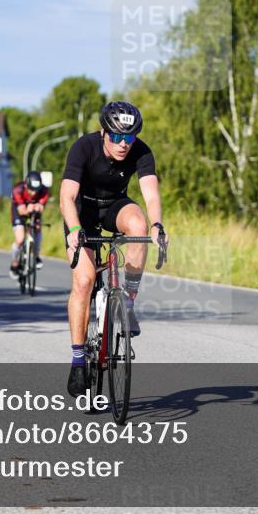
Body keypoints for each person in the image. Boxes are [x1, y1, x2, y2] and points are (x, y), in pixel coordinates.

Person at [60, 101, 167, 397]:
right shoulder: (83, 147)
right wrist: (74, 230)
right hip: (82, 213)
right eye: (117, 137)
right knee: (84, 280)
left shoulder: (142, 152)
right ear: (103, 131)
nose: (123, 144)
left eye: (129, 137)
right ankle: (79, 359)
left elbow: (151, 194)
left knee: (139, 224)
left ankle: (128, 302)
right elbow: (67, 197)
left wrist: (158, 225)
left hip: (113, 207)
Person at [9, 170, 50, 279]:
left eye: (37, 190)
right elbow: (21, 210)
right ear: (26, 186)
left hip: (33, 212)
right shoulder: (18, 189)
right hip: (19, 211)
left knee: (37, 228)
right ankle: (14, 263)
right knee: (20, 239)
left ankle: (36, 255)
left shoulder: (44, 190)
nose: (34, 193)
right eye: (31, 190)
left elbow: (41, 206)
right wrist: (29, 208)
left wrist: (38, 206)